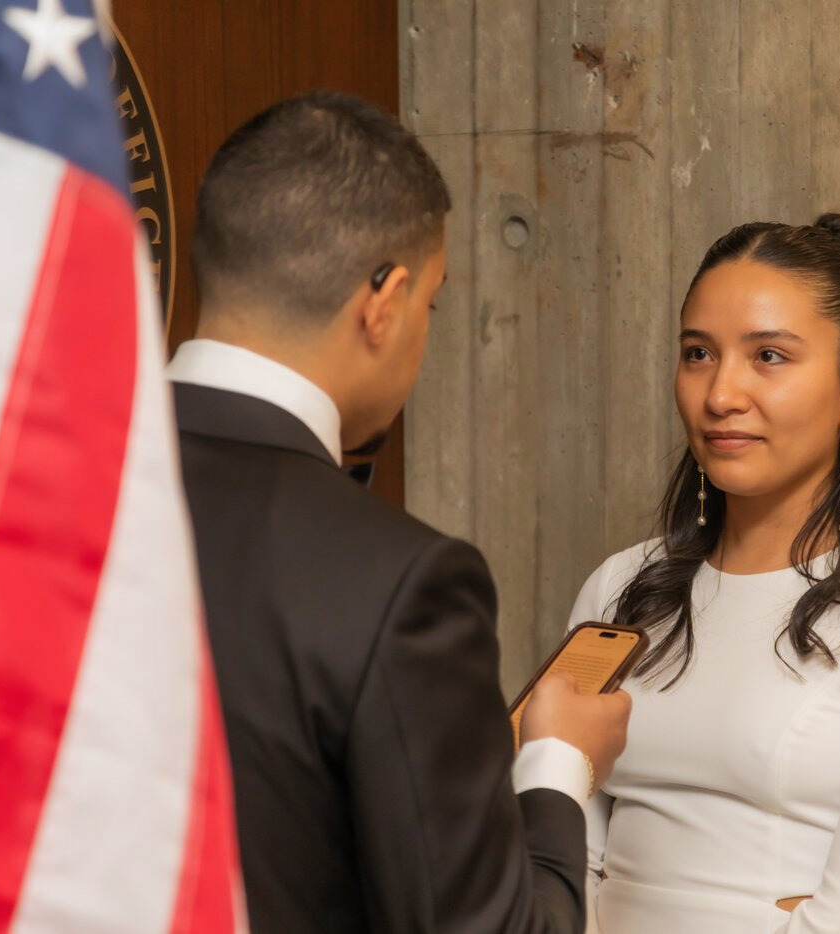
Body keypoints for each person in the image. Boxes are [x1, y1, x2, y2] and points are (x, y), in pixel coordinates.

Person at [170, 91, 630, 932]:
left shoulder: (27, 485)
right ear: (382, 302)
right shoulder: (400, 581)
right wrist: (558, 767)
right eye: (432, 306)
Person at [569, 217, 840, 932]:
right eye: (698, 353)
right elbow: (558, 852)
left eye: (768, 356)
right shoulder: (621, 587)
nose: (721, 393)